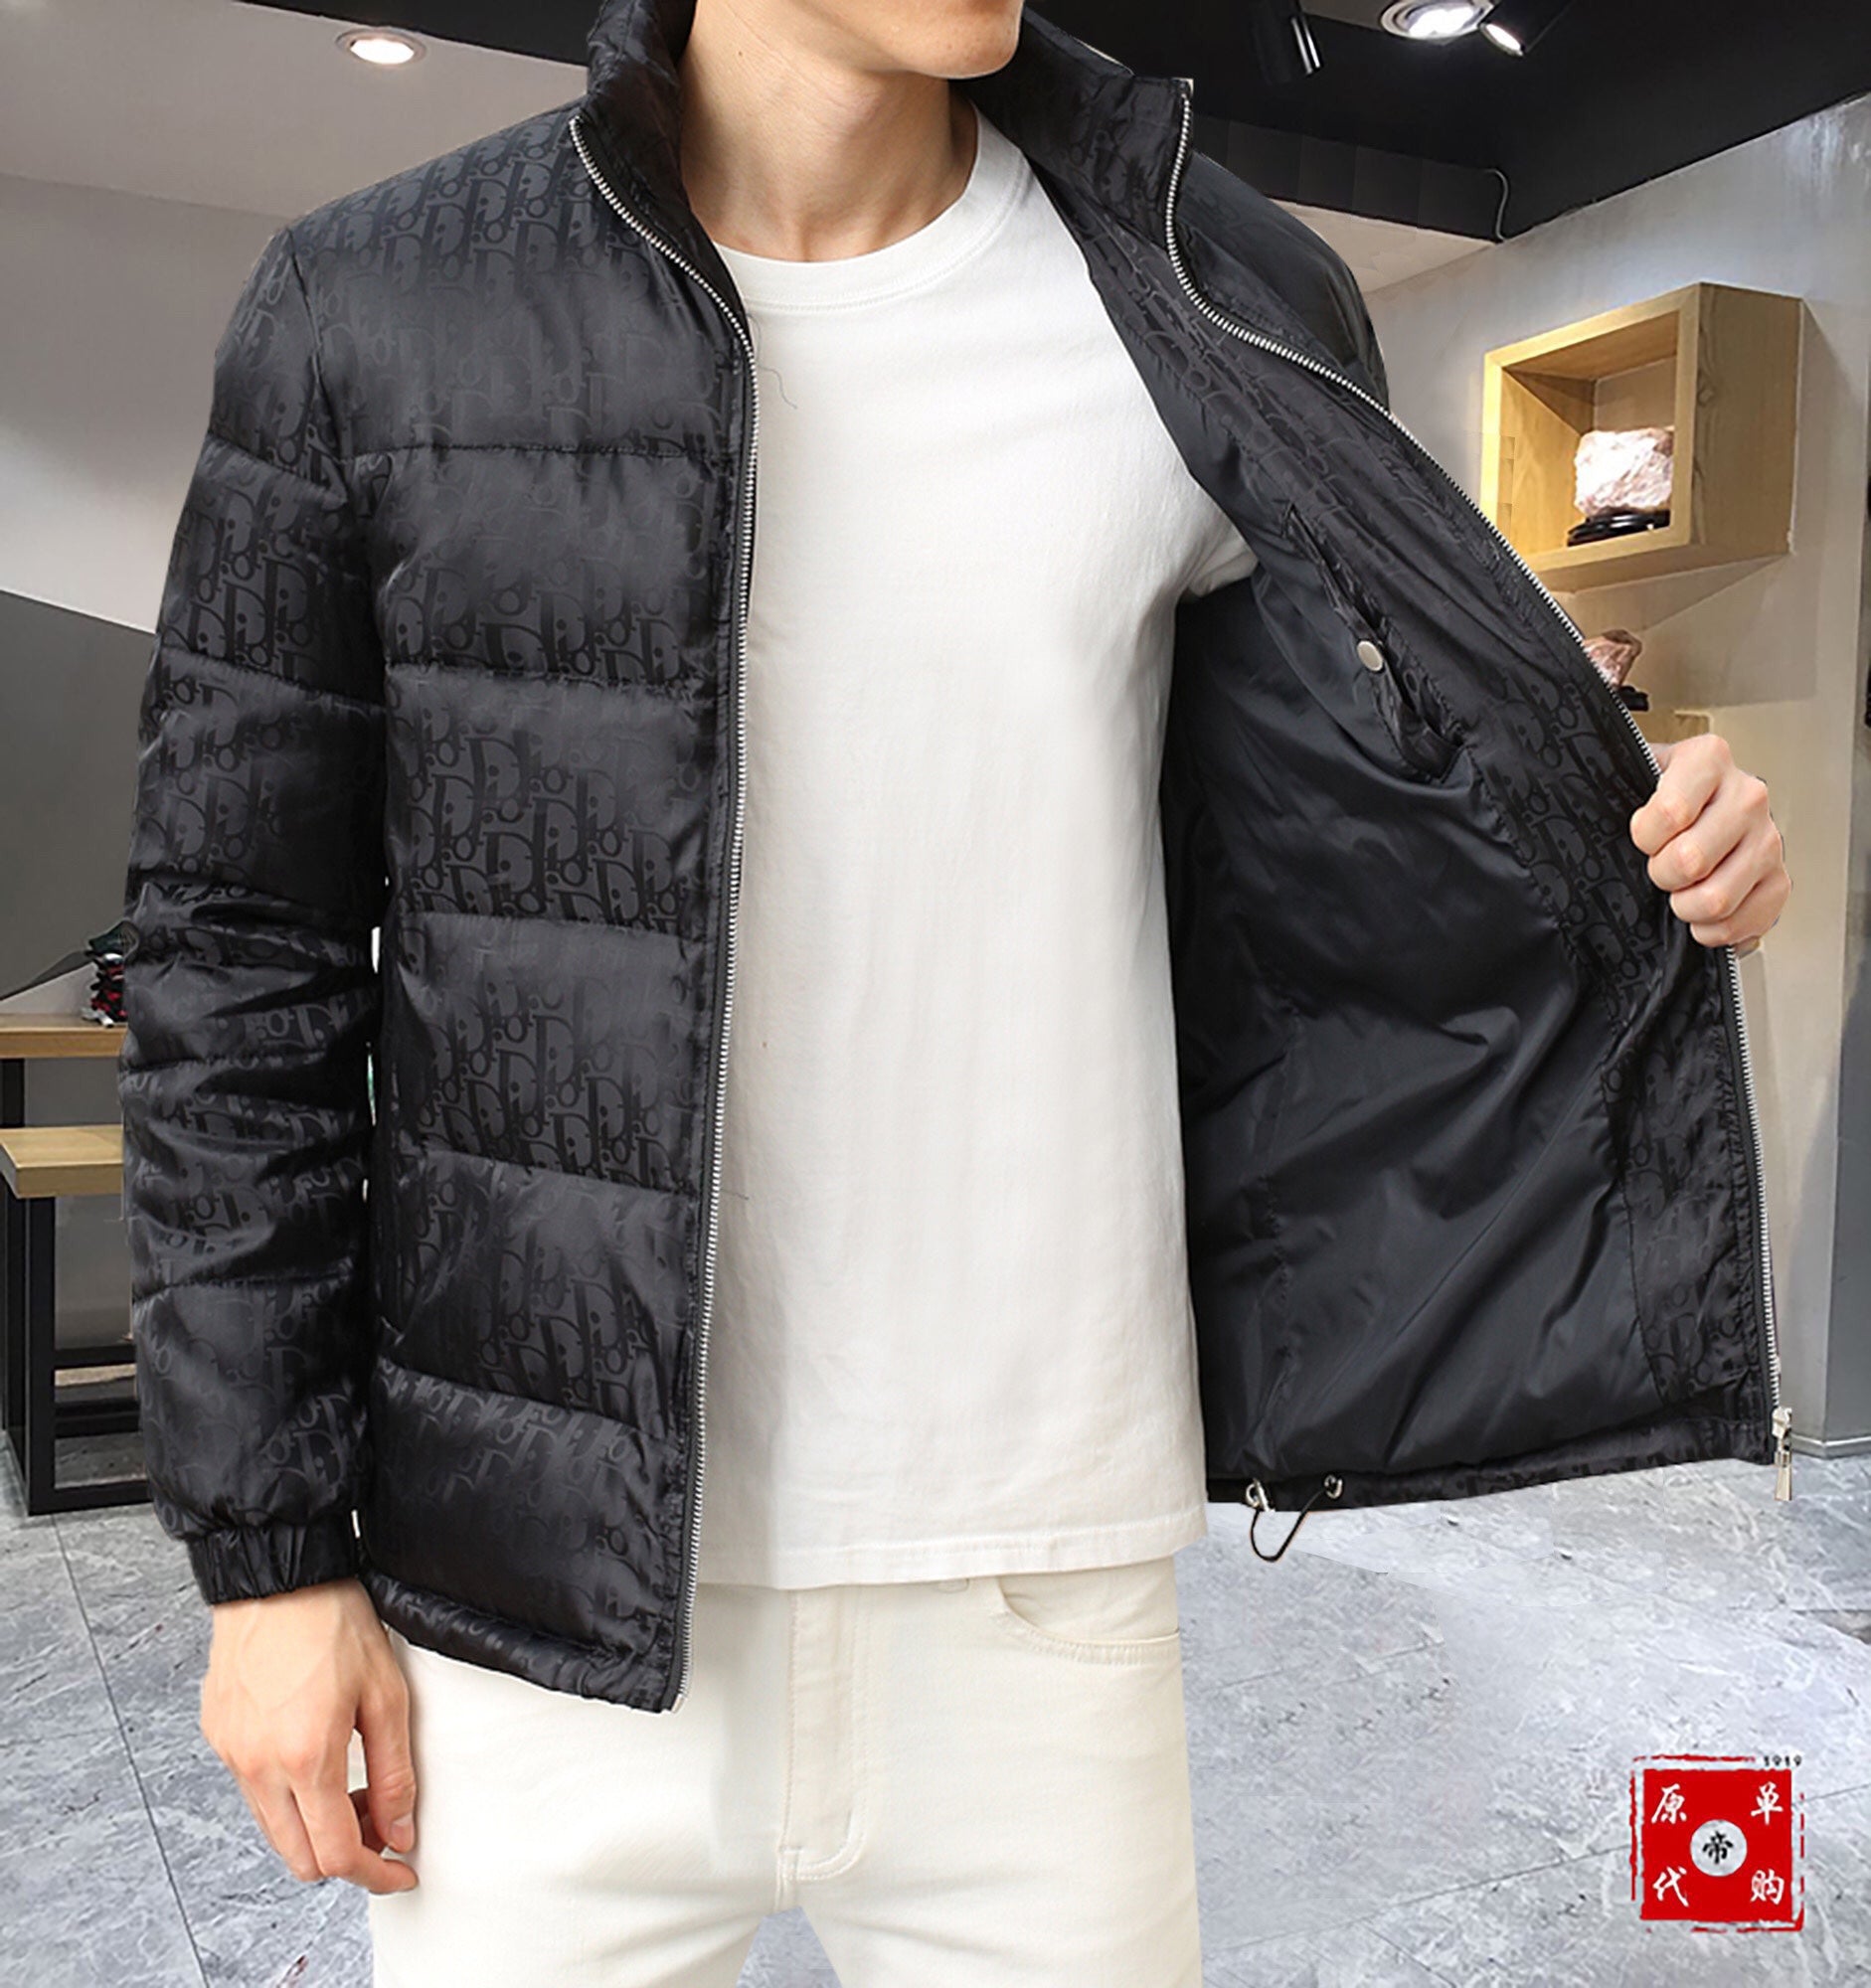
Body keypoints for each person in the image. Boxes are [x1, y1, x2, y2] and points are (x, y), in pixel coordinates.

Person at [118, 1, 1791, 1983]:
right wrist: (267, 1562)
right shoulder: (377, 303)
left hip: (1043, 1598)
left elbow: (1375, 809)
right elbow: (240, 957)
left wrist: (1643, 837)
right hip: (524, 1619)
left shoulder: (1208, 286)